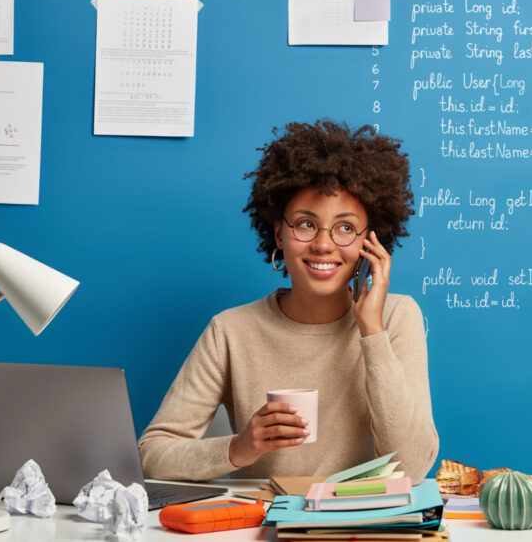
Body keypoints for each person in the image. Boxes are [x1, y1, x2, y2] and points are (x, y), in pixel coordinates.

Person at [138, 120, 439, 483]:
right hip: (265, 524)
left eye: (345, 228)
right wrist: (239, 447)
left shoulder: (396, 317)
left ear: (369, 241)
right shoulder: (231, 330)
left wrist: (371, 331)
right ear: (279, 233)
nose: (324, 244)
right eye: (305, 224)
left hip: (365, 528)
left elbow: (412, 467)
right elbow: (151, 454)